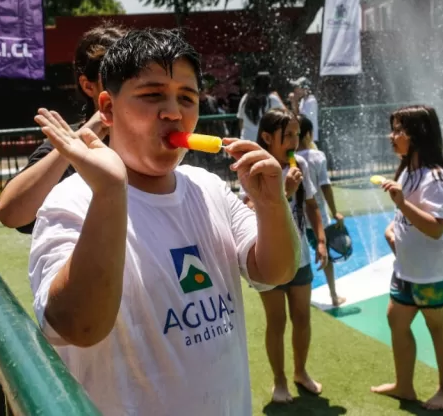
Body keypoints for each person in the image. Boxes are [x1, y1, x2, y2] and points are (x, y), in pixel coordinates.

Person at [28, 28, 300, 415]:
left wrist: (272, 204)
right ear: (107, 108)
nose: (174, 112)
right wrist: (110, 193)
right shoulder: (71, 202)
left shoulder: (209, 188)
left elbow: (275, 271)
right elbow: (78, 326)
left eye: (187, 98)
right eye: (152, 94)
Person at [371, 105, 443, 411]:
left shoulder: (437, 178)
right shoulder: (407, 171)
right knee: (396, 320)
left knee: (438, 328)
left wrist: (401, 203)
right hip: (407, 269)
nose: (392, 136)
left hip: (436, 273)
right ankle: (404, 386)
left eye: (399, 130)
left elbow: (436, 228)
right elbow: (406, 214)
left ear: (418, 134)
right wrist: (392, 227)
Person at [0, 23, 125, 233]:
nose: (126, 88)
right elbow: (11, 214)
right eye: (116, 79)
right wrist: (80, 141)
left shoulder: (151, 139)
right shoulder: (68, 144)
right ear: (88, 86)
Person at [242, 108, 328, 403]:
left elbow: (312, 205)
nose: (294, 141)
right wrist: (285, 191)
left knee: (302, 317)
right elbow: (247, 211)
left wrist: (321, 240)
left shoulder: (300, 163)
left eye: (296, 134)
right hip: (269, 258)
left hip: (298, 256)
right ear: (267, 137)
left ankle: (301, 372)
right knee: (276, 322)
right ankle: (279, 381)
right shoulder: (254, 167)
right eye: (287, 135)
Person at [296, 114, 345, 306]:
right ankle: (333, 295)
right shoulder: (317, 156)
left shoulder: (289, 158)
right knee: (326, 256)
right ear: (308, 133)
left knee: (300, 255)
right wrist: (335, 211)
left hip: (297, 217)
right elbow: (325, 186)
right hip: (318, 217)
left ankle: (300, 294)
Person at [236, 71, 285, 142]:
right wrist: (278, 97)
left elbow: (241, 121)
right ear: (269, 84)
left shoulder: (245, 98)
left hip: (245, 140)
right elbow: (287, 116)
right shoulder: (272, 99)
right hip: (263, 142)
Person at [289, 77, 320, 148]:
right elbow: (296, 115)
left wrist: (295, 101)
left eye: (297, 87)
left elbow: (301, 118)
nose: (295, 90)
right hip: (304, 138)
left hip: (311, 139)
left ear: (305, 89)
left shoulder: (311, 101)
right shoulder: (303, 100)